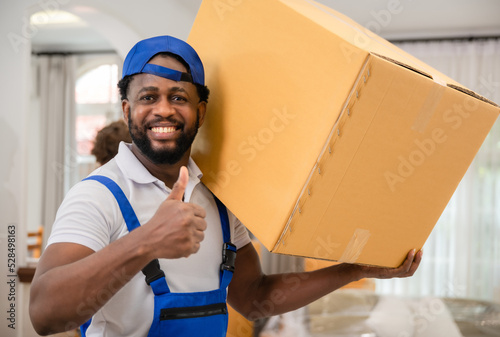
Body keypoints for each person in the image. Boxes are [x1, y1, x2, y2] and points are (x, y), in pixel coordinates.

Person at [29, 35, 423, 337]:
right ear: (128, 110)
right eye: (149, 96)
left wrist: (353, 269)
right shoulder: (98, 195)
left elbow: (254, 298)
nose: (163, 109)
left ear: (199, 112)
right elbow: (44, 314)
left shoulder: (219, 200)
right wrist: (146, 241)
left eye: (178, 97)